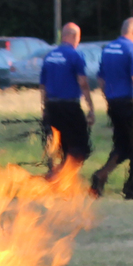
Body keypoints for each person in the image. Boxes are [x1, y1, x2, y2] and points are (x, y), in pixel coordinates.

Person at [90, 17, 133, 199]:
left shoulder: (108, 49)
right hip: (131, 104)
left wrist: (108, 99)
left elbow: (101, 79)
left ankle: (100, 176)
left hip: (114, 103)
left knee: (122, 146)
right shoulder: (132, 49)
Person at [38, 22, 95, 178]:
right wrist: (91, 107)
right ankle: (56, 176)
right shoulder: (75, 55)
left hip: (52, 106)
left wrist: (44, 108)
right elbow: (83, 82)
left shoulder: (49, 56)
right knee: (80, 147)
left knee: (59, 145)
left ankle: (59, 178)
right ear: (75, 37)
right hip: (69, 106)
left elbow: (42, 85)